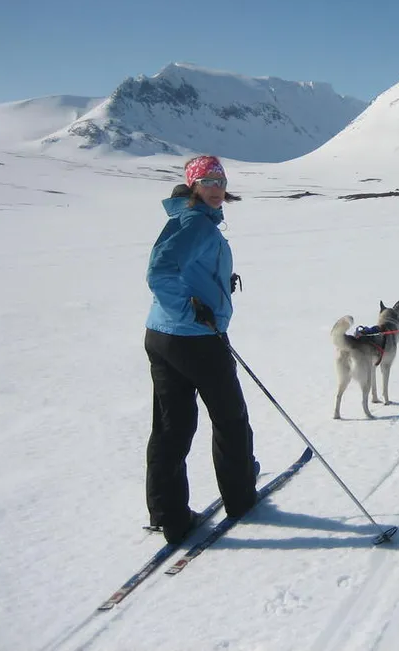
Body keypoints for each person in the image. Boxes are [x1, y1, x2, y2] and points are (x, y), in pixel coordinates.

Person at [144, 155, 257, 543]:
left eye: (220, 181)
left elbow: (183, 270)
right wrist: (189, 310)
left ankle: (169, 516)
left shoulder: (189, 219)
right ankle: (241, 498)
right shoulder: (195, 223)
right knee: (230, 418)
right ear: (193, 186)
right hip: (194, 339)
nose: (215, 189)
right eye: (207, 181)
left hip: (163, 335)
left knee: (172, 427)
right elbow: (159, 271)